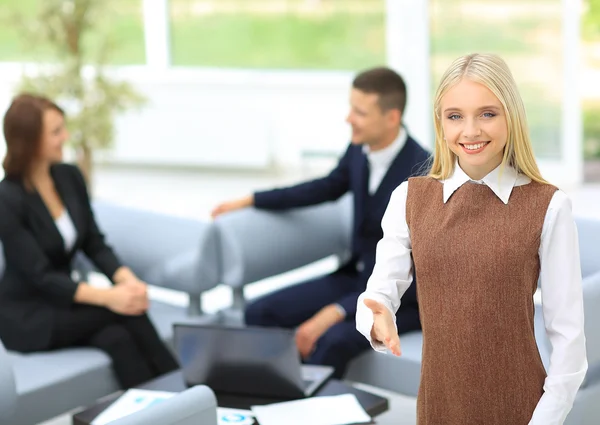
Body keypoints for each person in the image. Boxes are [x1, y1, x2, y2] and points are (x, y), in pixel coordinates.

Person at [356, 53, 588, 425]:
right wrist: (376, 317)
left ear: (511, 116)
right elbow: (379, 291)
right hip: (438, 407)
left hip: (520, 408)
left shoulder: (549, 206)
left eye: (487, 114)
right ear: (440, 123)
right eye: (455, 116)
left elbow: (568, 340)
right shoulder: (409, 198)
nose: (471, 131)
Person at [212, 67, 430, 378]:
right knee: (260, 313)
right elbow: (325, 187)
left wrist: (333, 312)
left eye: (360, 112)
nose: (348, 118)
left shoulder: (422, 175)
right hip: (355, 278)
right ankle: (272, 395)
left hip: (401, 298)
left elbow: (410, 274)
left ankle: (305, 412)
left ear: (391, 118)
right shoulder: (360, 149)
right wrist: (252, 199)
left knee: (330, 341)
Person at [0, 94, 179, 389]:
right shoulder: (7, 199)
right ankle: (193, 398)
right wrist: (112, 297)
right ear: (30, 140)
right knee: (125, 313)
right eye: (56, 132)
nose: (65, 137)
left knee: (117, 337)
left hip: (65, 302)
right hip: (28, 316)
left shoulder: (68, 177)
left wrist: (127, 281)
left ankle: (162, 413)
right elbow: (41, 277)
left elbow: (94, 242)